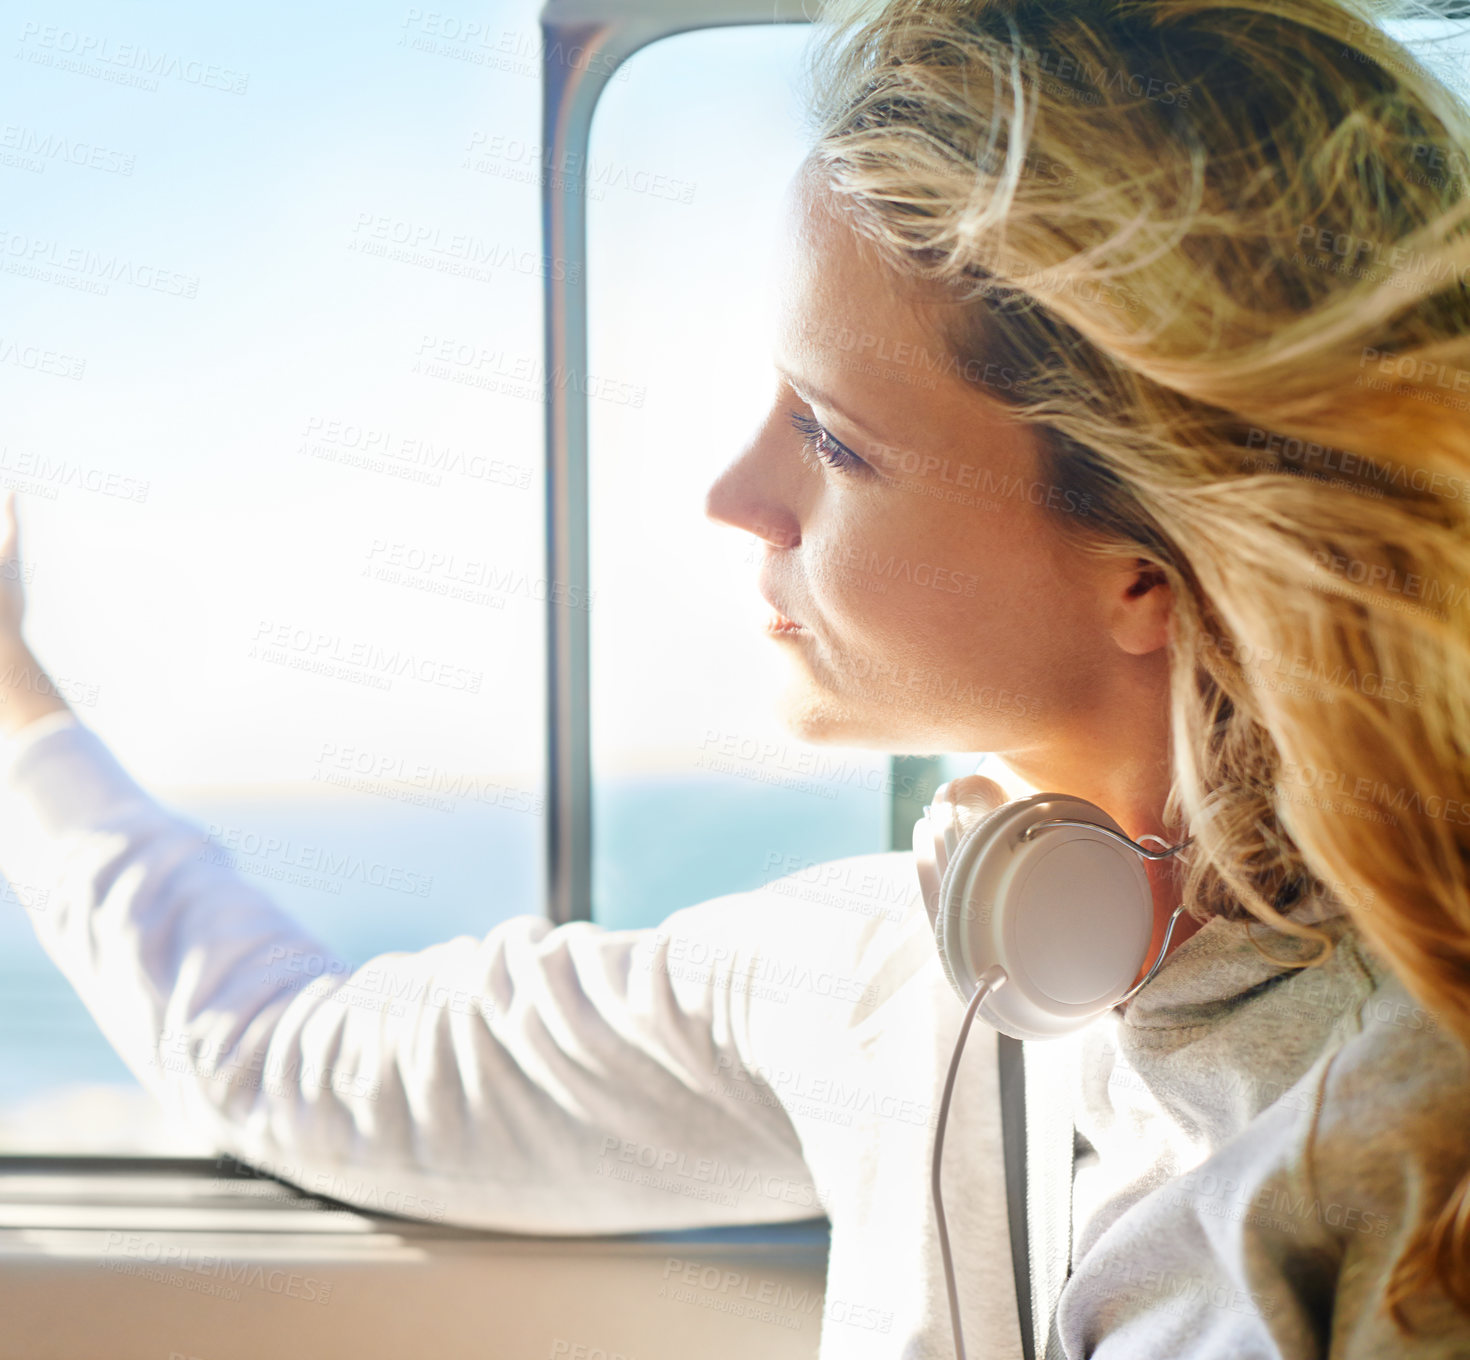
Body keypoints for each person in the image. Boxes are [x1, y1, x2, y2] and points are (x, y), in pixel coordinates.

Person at [3, 0, 1470, 1354]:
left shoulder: (1406, 1120)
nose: (730, 494)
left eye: (830, 437)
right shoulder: (880, 981)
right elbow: (283, 1062)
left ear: (1142, 567)